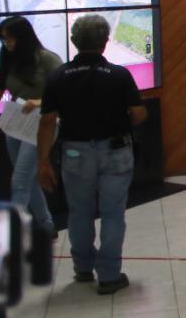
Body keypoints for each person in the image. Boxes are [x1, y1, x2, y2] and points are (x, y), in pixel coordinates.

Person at [35, 15, 146, 295]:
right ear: (105, 43)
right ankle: (109, 276)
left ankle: (83, 269)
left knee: (79, 212)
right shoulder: (120, 75)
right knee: (112, 214)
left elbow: (47, 122)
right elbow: (138, 113)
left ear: (73, 41)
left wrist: (43, 161)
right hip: (116, 150)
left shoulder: (57, 76)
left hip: (74, 152)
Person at [0, 15, 62, 234]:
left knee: (19, 181)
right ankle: (46, 225)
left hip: (43, 122)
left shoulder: (46, 59)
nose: (7, 43)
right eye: (4, 39)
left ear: (23, 37)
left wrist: (40, 102)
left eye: (10, 38)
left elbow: (66, 93)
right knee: (25, 177)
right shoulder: (7, 59)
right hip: (16, 122)